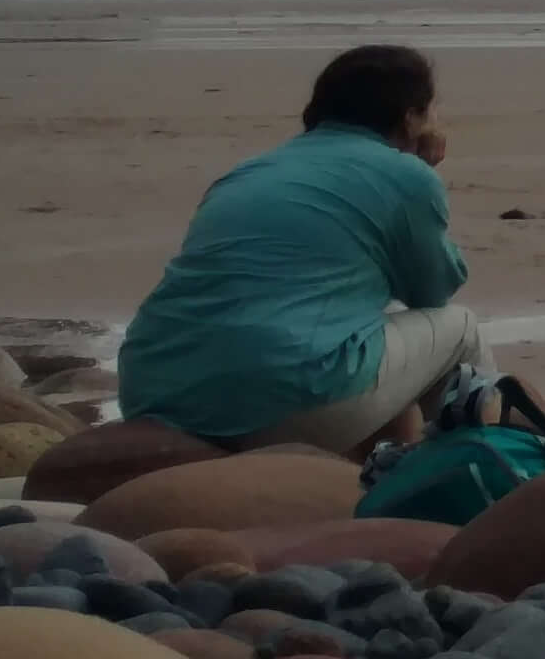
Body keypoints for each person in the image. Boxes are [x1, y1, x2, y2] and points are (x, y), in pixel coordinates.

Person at [117, 44, 481, 458]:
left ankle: (379, 465)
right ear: (411, 117)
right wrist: (420, 168)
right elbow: (432, 291)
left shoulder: (250, 170)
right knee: (461, 328)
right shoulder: (406, 174)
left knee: (383, 324)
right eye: (432, 110)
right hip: (285, 399)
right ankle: (486, 472)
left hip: (156, 389)